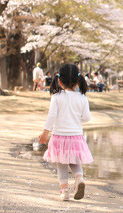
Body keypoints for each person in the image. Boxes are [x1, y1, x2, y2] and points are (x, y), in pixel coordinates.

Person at [38, 63, 93, 201]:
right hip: (76, 136)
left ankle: (65, 192)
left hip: (59, 136)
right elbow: (86, 118)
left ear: (59, 80)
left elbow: (52, 116)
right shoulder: (82, 98)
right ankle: (79, 178)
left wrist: (45, 133)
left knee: (61, 165)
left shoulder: (57, 97)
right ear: (78, 80)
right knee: (75, 161)